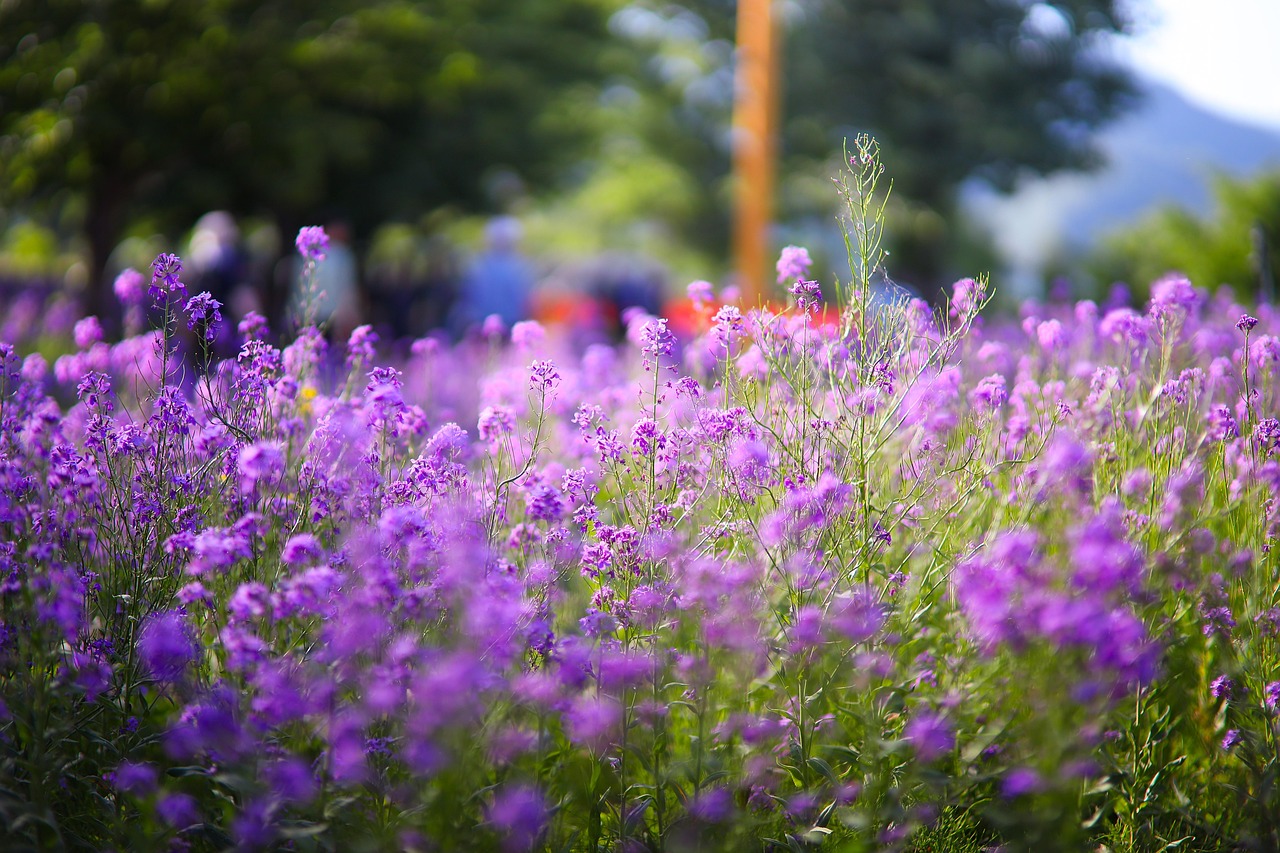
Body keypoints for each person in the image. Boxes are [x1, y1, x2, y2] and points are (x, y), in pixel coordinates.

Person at [452, 216, 533, 335]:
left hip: (511, 319)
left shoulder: (519, 264)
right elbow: (471, 293)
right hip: (483, 320)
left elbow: (524, 295)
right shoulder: (480, 263)